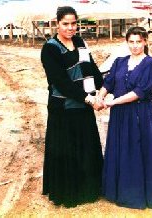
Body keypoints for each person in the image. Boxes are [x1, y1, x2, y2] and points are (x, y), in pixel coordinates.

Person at [40, 6, 104, 208]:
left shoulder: (80, 42)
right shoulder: (50, 48)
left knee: (85, 148)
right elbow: (60, 82)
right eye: (65, 24)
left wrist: (103, 91)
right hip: (64, 109)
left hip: (84, 107)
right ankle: (68, 193)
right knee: (66, 150)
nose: (70, 28)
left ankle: (88, 190)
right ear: (57, 23)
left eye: (73, 23)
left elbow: (91, 69)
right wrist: (87, 99)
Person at [98, 26, 152, 209]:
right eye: (131, 42)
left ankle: (137, 193)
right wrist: (100, 97)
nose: (135, 46)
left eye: (138, 42)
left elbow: (140, 91)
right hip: (119, 114)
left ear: (145, 42)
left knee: (137, 149)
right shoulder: (120, 61)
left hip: (139, 113)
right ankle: (117, 190)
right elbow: (109, 82)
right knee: (120, 149)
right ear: (126, 42)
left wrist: (113, 102)